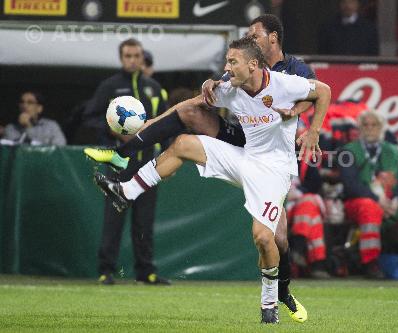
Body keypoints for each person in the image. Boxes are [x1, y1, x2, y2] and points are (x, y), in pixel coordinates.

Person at [84, 14, 314, 322]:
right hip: (242, 149)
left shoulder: (290, 76)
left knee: (270, 239)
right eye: (228, 61)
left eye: (235, 59)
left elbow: (319, 93)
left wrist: (306, 125)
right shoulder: (232, 85)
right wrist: (154, 123)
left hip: (273, 166)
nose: (227, 67)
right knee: (182, 140)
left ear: (268, 45)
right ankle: (125, 185)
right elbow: (190, 104)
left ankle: (277, 296)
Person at [83, 38, 170, 285]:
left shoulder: (154, 88)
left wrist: (166, 155)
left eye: (137, 55)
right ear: (122, 58)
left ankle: (146, 272)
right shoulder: (109, 87)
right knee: (113, 219)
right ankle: (106, 270)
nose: (133, 60)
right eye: (128, 56)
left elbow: (166, 124)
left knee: (145, 222)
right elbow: (89, 116)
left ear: (143, 58)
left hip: (148, 166)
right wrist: (111, 131)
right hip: (118, 165)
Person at [340, 110, 398, 279]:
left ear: (382, 128)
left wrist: (396, 200)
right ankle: (370, 262)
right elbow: (351, 185)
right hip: (360, 203)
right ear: (359, 128)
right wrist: (377, 200)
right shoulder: (348, 151)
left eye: (374, 125)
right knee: (369, 207)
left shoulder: (393, 151)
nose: (370, 128)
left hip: (391, 203)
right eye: (365, 125)